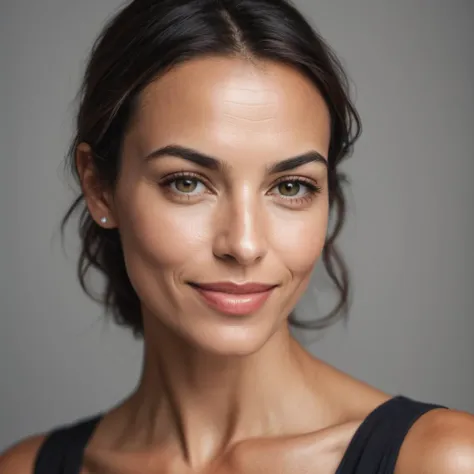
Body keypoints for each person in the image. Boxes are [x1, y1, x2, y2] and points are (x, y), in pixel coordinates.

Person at [2, 0, 474, 472]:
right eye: (187, 182)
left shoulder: (442, 460)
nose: (244, 244)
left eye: (291, 187)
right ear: (99, 187)